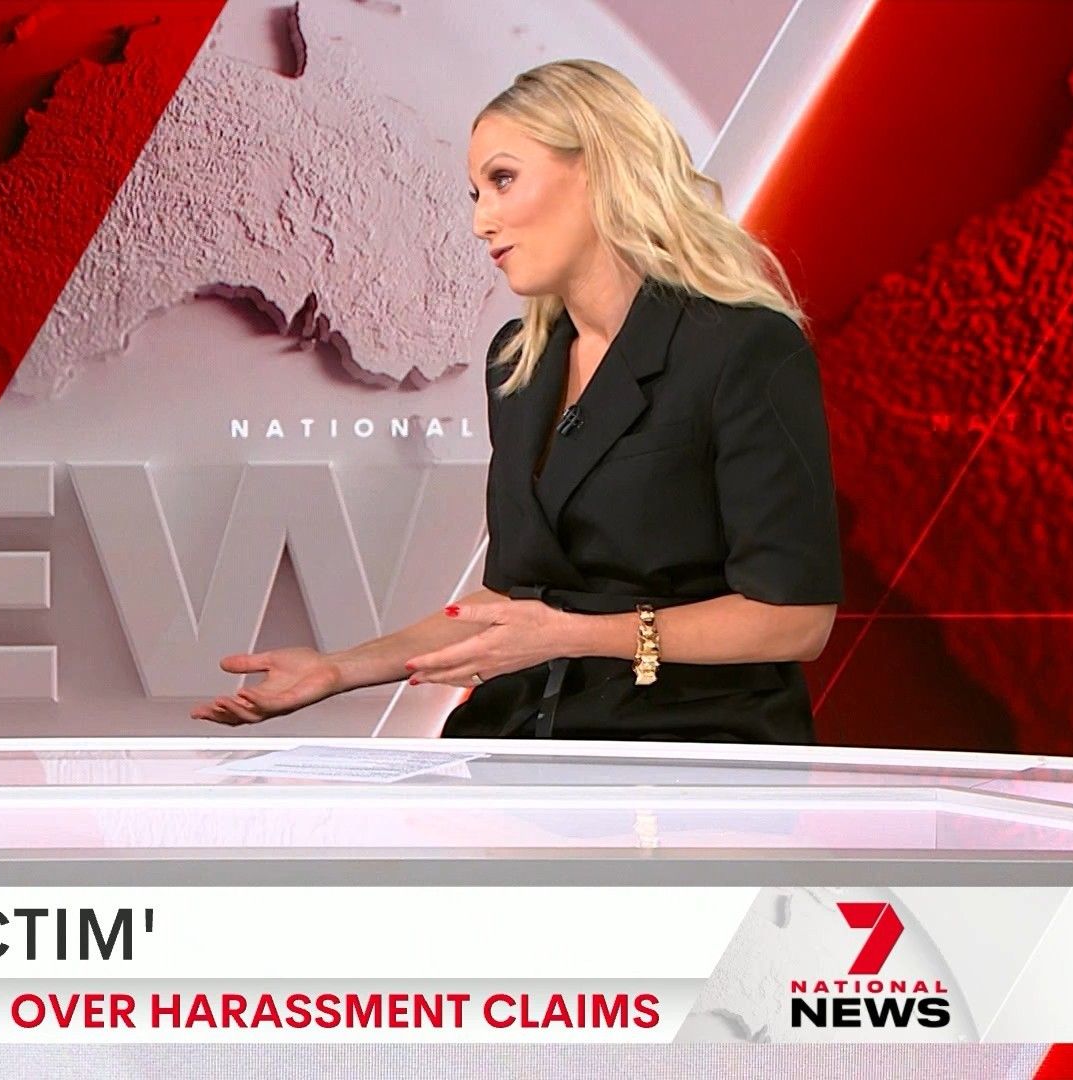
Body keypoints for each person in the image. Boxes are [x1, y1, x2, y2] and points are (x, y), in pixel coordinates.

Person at [193, 59, 843, 743]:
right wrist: (339, 670)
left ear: (599, 167)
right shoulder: (519, 363)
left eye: (503, 180)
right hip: (521, 739)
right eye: (476, 194)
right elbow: (514, 603)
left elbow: (794, 619)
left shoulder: (743, 348)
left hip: (689, 750)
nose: (482, 221)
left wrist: (574, 634)